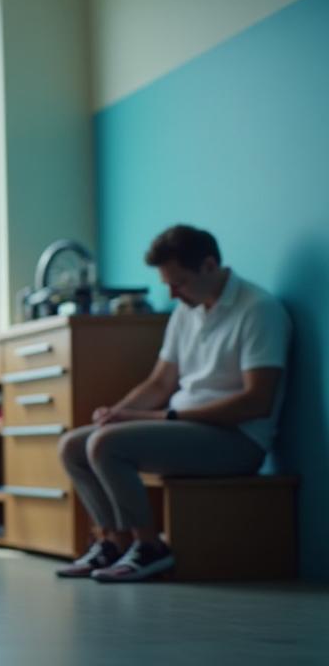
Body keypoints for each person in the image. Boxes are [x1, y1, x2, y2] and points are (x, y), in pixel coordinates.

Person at [56, 224, 290, 582]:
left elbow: (256, 402)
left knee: (106, 445)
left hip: (237, 439)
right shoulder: (187, 311)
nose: (172, 292)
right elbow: (160, 381)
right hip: (182, 425)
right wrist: (118, 412)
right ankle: (114, 544)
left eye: (178, 282)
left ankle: (150, 547)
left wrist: (165, 416)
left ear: (209, 266)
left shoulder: (258, 310)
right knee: (73, 445)